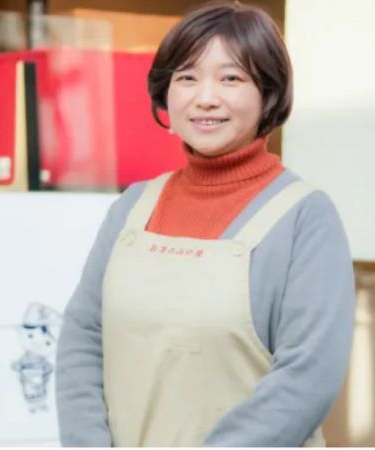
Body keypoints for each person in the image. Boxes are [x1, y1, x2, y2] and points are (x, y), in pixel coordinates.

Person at [55, 1, 355, 447]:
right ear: (166, 93)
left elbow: (307, 377)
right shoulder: (133, 206)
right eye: (187, 78)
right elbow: (83, 337)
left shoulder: (305, 217)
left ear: (269, 93)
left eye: (231, 78)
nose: (206, 97)